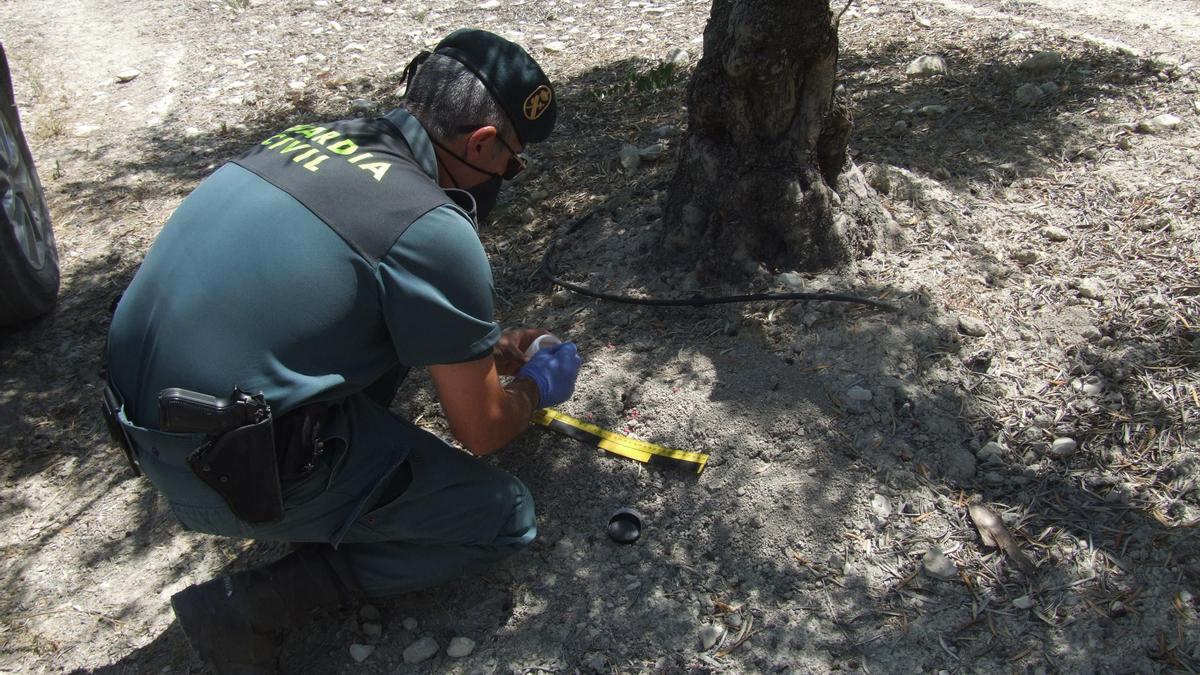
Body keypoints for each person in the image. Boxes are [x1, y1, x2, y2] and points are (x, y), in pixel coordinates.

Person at [102, 28, 581, 674]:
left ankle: (328, 495)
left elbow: (326, 288)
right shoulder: (431, 228)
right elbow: (484, 430)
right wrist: (537, 385)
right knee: (502, 515)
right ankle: (257, 605)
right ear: (483, 144)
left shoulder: (306, 139)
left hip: (136, 412)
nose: (507, 179)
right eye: (511, 165)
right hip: (215, 464)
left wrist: (488, 346)